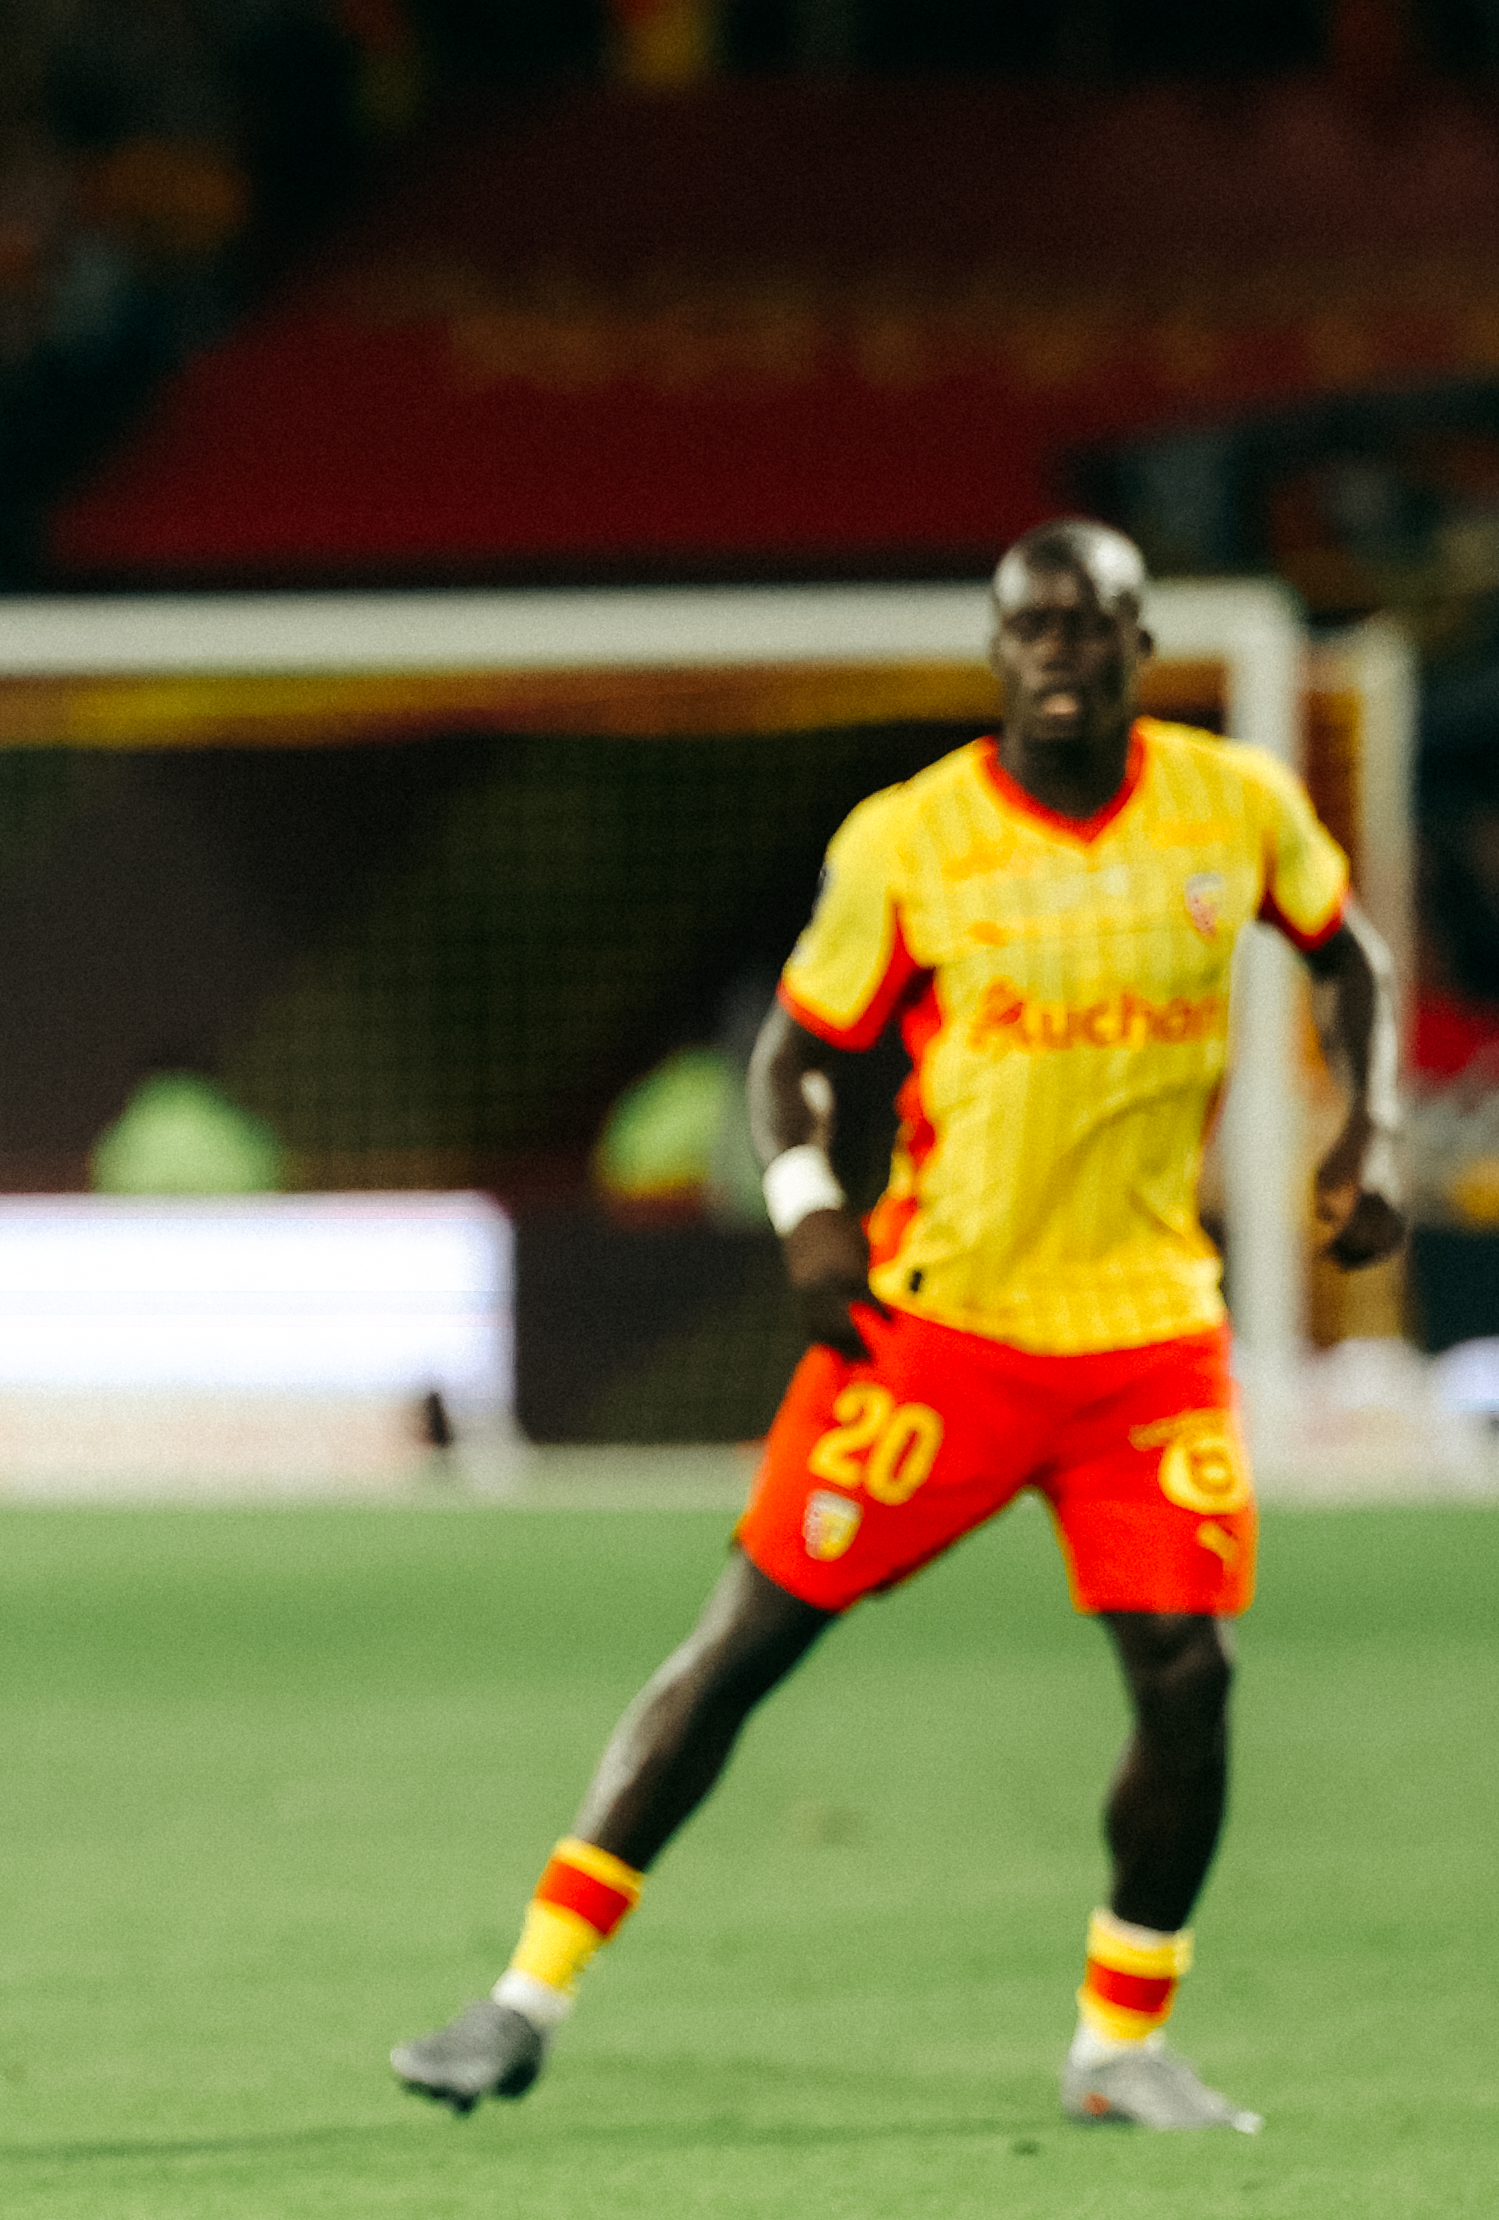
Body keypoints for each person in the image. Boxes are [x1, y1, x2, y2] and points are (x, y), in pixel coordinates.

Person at [393, 523, 1407, 2131]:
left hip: (1145, 1338)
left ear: (1140, 647)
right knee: (744, 1647)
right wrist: (808, 1206)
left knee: (1189, 1677)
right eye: (1031, 629)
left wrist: (1371, 1134)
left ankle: (1120, 2044)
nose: (1059, 652)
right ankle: (522, 1998)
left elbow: (1350, 961)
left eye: (1090, 625)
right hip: (939, 1332)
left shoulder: (1237, 804)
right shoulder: (912, 838)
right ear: (998, 654)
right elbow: (793, 1056)